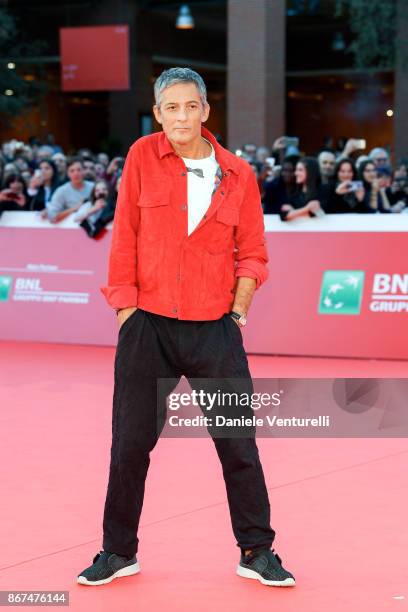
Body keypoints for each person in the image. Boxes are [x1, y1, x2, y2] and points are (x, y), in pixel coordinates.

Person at [77, 67, 295, 588]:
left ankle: (256, 550)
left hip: (214, 330)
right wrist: (126, 312)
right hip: (146, 325)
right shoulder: (141, 157)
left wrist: (237, 312)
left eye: (189, 106)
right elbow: (124, 234)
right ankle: (118, 551)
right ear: (157, 113)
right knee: (129, 444)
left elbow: (255, 255)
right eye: (170, 108)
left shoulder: (237, 174)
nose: (180, 116)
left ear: (205, 110)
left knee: (238, 445)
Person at [45, 158, 94, 223]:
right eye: (72, 171)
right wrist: (74, 208)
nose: (76, 173)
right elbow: (52, 216)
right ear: (67, 173)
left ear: (83, 171)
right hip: (70, 230)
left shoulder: (93, 187)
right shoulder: (62, 191)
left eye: (79, 170)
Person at [280, 157, 327, 221]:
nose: (296, 173)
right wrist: (307, 208)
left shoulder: (323, 190)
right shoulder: (294, 192)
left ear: (310, 171)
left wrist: (294, 212)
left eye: (300, 170)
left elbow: (316, 215)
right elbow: (284, 215)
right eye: (296, 170)